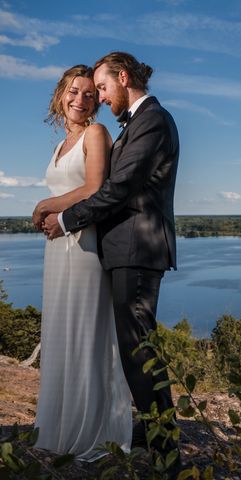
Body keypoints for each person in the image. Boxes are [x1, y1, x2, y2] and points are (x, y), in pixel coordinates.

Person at [40, 52, 181, 472]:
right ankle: (155, 431)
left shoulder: (153, 120)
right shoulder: (135, 124)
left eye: (100, 88)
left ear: (122, 78)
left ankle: (165, 450)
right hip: (124, 250)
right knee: (135, 350)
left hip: (138, 249)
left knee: (138, 352)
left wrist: (65, 218)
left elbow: (115, 189)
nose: (98, 97)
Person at [32, 65, 132, 461]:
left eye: (91, 94)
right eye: (74, 92)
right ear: (61, 94)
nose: (81, 100)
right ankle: (59, 428)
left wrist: (44, 206)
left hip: (84, 244)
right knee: (60, 330)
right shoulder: (61, 144)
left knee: (86, 333)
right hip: (58, 246)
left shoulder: (96, 133)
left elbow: (95, 188)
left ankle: (92, 431)